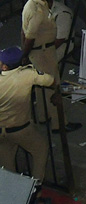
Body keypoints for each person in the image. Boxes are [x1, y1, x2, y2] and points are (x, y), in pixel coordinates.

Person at [21, 0, 77, 131]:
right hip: (43, 52)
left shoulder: (32, 4)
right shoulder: (38, 12)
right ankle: (59, 124)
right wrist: (24, 56)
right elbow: (30, 37)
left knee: (40, 87)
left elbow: (23, 32)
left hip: (39, 51)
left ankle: (43, 116)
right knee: (52, 86)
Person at [0, 46, 55, 179]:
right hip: (20, 129)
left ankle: (14, 191)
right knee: (41, 150)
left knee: (7, 164)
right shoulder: (27, 75)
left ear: (5, 67)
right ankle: (35, 188)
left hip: (1, 130)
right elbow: (50, 80)